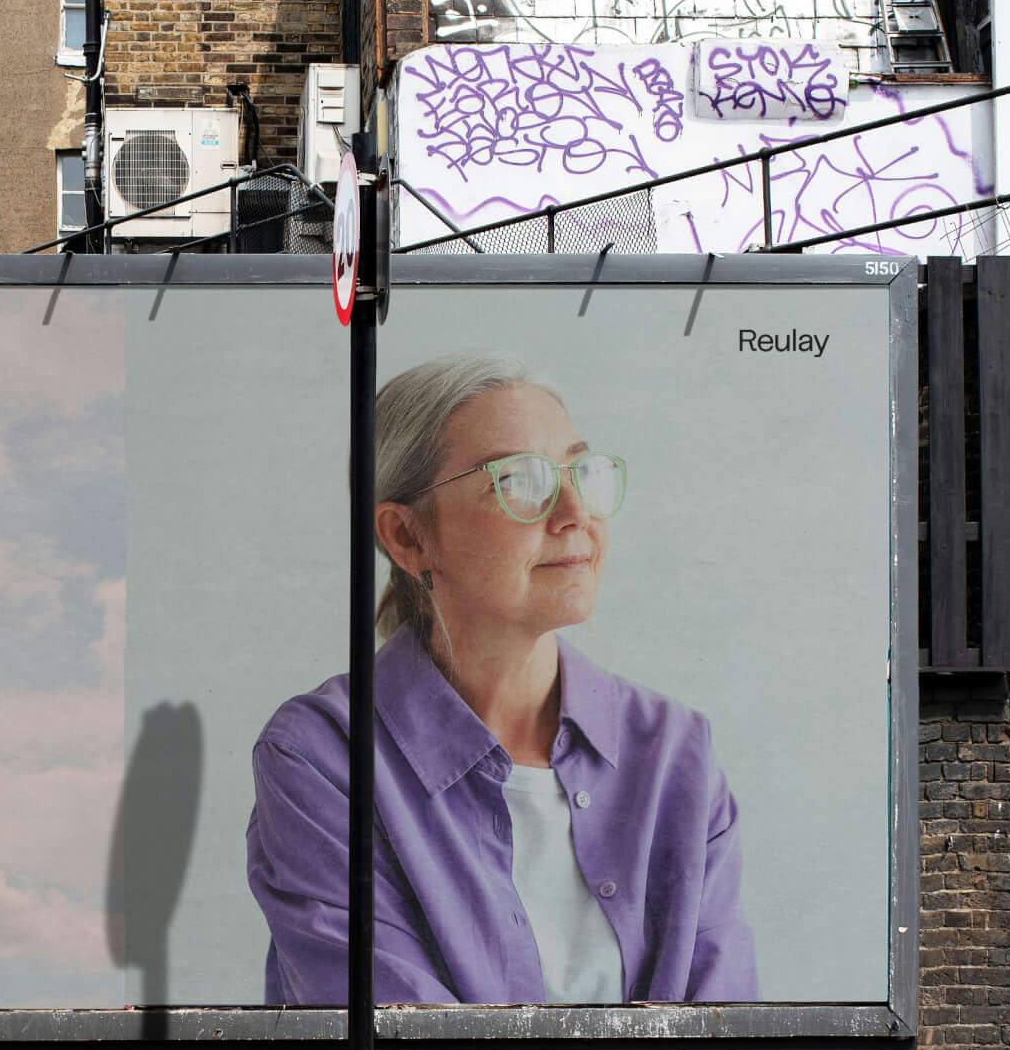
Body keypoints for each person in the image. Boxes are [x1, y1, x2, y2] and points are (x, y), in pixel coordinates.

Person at [248, 354, 757, 1006]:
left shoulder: (674, 751)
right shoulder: (322, 758)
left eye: (580, 470)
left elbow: (734, 1047)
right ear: (407, 537)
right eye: (520, 480)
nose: (574, 511)